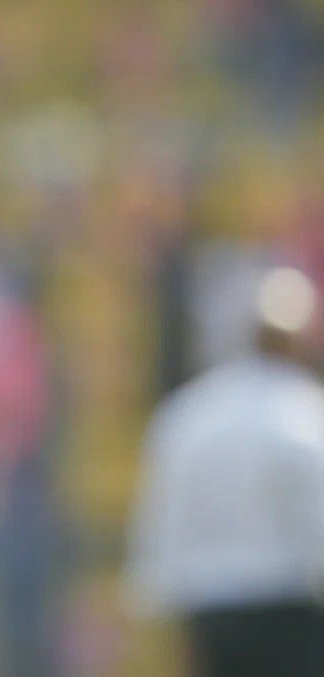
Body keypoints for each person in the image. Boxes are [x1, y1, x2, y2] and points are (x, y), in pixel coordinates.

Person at [127, 267, 324, 676]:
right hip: (287, 603)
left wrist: (155, 597)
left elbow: (165, 518)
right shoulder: (305, 412)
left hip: (209, 608)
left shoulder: (190, 413)